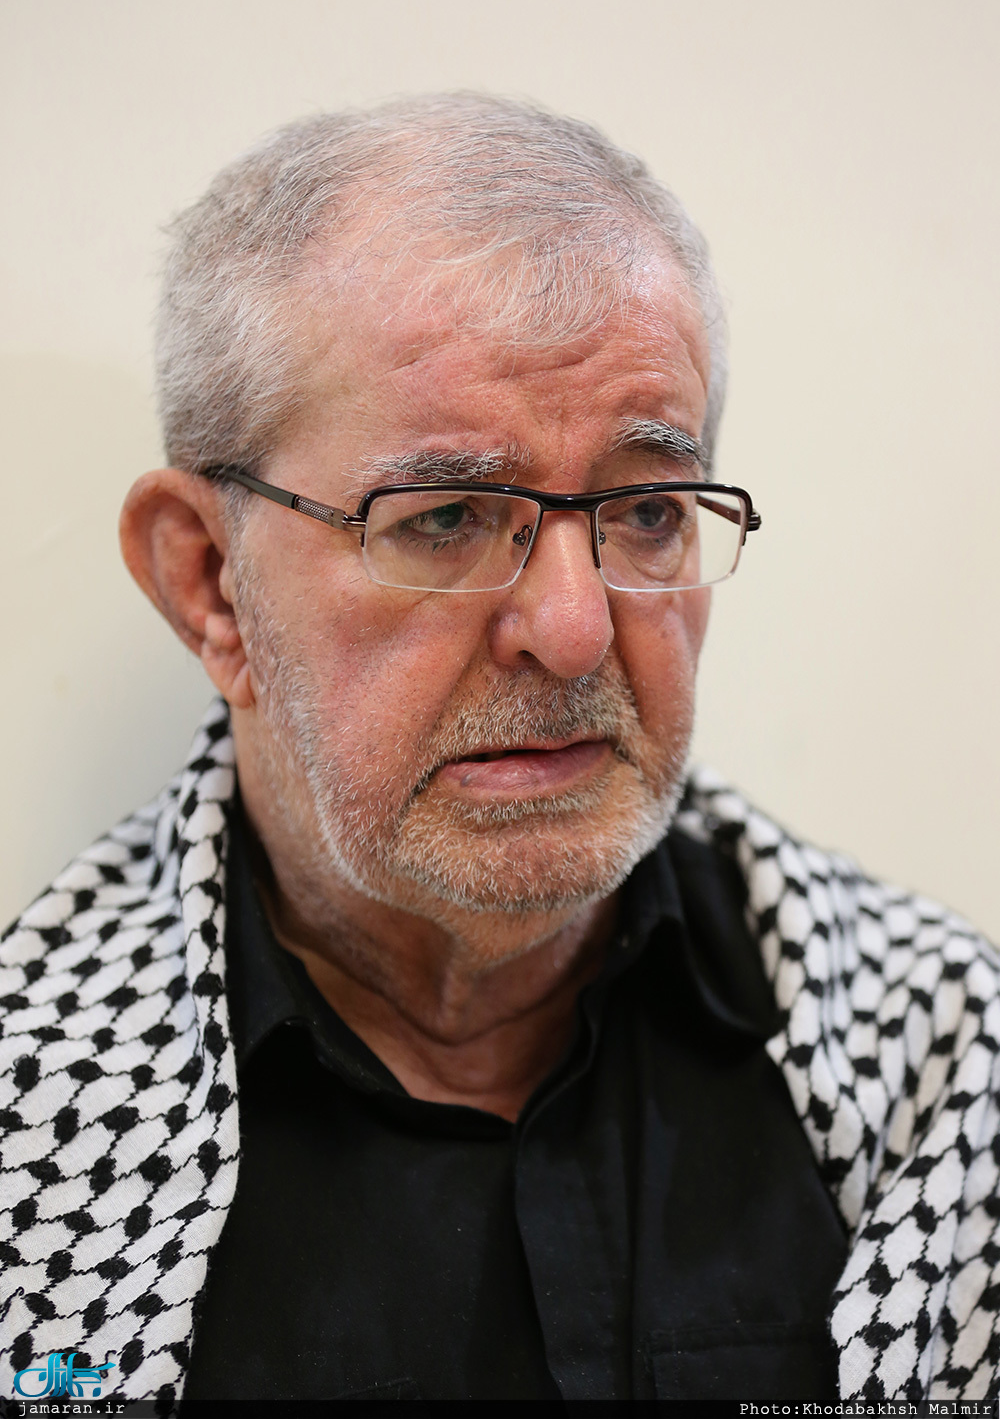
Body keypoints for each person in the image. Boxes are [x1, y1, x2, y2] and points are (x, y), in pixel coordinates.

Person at [1, 94, 996, 1407]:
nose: (575, 631)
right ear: (210, 585)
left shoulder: (947, 1072)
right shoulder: (33, 1117)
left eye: (648, 510)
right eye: (446, 517)